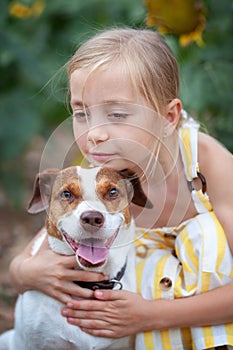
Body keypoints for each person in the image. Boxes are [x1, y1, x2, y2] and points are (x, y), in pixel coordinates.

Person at [9, 28, 233, 349]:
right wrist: (27, 274)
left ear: (169, 117)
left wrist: (151, 315)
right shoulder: (97, 180)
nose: (95, 133)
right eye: (82, 114)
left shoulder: (206, 163)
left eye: (116, 114)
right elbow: (29, 260)